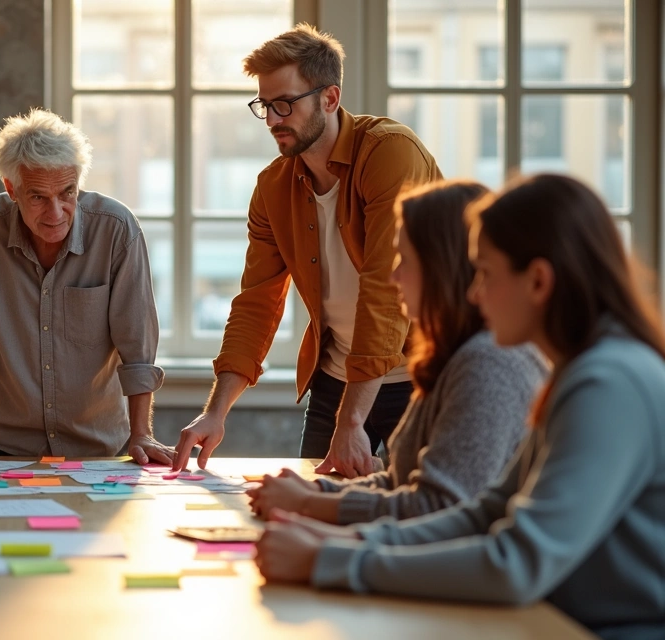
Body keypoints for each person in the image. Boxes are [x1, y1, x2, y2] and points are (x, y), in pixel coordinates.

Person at [255, 174, 665, 639]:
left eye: (486, 273)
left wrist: (329, 558)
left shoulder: (608, 382)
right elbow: (482, 514)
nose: (473, 291)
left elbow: (515, 563)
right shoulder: (582, 371)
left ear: (538, 281)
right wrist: (335, 540)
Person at [173, 24, 442, 477]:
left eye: (285, 104)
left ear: (330, 98)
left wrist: (352, 420)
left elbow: (384, 290)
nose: (273, 118)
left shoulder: (390, 154)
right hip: (335, 381)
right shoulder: (273, 187)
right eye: (265, 105)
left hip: (419, 380)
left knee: (424, 515)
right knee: (304, 510)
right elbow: (256, 304)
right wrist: (215, 412)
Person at [247, 180, 547, 524]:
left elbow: (434, 508)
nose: (393, 276)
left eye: (404, 259)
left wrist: (308, 509)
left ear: (440, 267)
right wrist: (316, 491)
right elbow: (399, 482)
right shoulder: (452, 356)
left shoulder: (487, 364)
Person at [0, 109, 172, 463]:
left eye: (67, 193)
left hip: (99, 448)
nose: (56, 212)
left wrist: (142, 434)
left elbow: (138, 346)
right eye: (38, 197)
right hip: (7, 449)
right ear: (12, 189)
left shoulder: (116, 230)